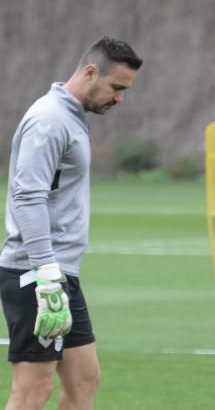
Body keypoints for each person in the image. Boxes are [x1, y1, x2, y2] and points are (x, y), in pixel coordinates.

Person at [1, 37, 142, 409]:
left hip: (59, 274)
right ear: (91, 72)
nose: (120, 98)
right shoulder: (49, 120)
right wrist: (46, 275)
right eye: (116, 88)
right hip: (37, 274)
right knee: (33, 390)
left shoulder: (70, 117)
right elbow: (27, 196)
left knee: (84, 380)